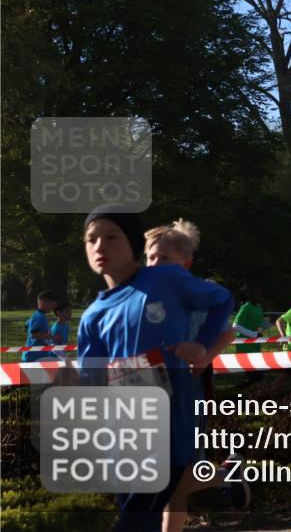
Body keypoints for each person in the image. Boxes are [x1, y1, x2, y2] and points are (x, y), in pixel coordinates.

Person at [76, 206, 233, 532]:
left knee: (137, 520)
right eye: (91, 239)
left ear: (132, 242)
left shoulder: (166, 279)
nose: (99, 246)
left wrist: (202, 345)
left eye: (111, 237)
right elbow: (91, 379)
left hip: (169, 433)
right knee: (140, 517)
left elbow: (222, 301)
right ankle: (227, 477)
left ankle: (225, 476)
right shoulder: (93, 314)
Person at [143, 220, 248, 532]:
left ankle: (226, 475)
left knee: (172, 477)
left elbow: (227, 334)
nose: (155, 263)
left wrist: (204, 354)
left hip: (185, 395)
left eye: (164, 258)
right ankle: (227, 474)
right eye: (151, 257)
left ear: (185, 263)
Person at [23, 290, 58, 362]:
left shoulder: (36, 316)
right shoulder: (39, 317)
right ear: (44, 302)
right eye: (52, 305)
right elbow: (33, 335)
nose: (53, 308)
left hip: (37, 355)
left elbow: (25, 328)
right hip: (32, 357)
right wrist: (50, 336)